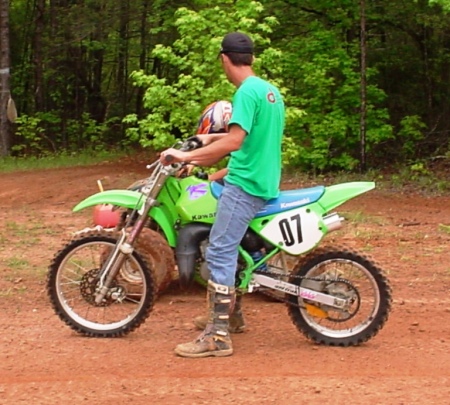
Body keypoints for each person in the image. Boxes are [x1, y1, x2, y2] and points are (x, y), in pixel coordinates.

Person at [159, 32, 285, 358]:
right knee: (237, 249)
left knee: (219, 252)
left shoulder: (245, 93)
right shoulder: (270, 92)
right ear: (252, 58)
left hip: (243, 187)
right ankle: (233, 315)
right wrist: (197, 143)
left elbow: (233, 143)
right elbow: (238, 136)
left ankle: (217, 335)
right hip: (263, 182)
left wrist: (182, 158)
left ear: (225, 59)